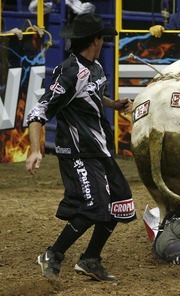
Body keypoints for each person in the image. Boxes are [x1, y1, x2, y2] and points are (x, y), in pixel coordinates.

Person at [25, 13, 137, 281]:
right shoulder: (70, 71)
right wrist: (36, 149)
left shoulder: (95, 67)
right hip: (78, 152)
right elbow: (38, 112)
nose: (104, 41)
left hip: (99, 149)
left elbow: (91, 95)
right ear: (95, 40)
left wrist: (113, 104)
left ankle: (90, 259)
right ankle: (53, 254)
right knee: (96, 206)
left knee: (120, 203)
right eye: (102, 37)